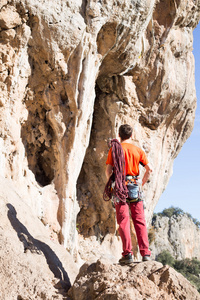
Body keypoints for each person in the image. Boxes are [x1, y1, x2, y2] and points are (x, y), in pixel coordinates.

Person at [105, 124, 152, 264]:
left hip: (120, 188)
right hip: (134, 188)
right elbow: (149, 170)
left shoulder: (115, 150)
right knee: (139, 221)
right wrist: (141, 183)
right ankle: (145, 254)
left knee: (123, 221)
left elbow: (108, 170)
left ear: (119, 135)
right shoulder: (138, 150)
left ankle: (128, 254)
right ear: (131, 135)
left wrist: (112, 183)